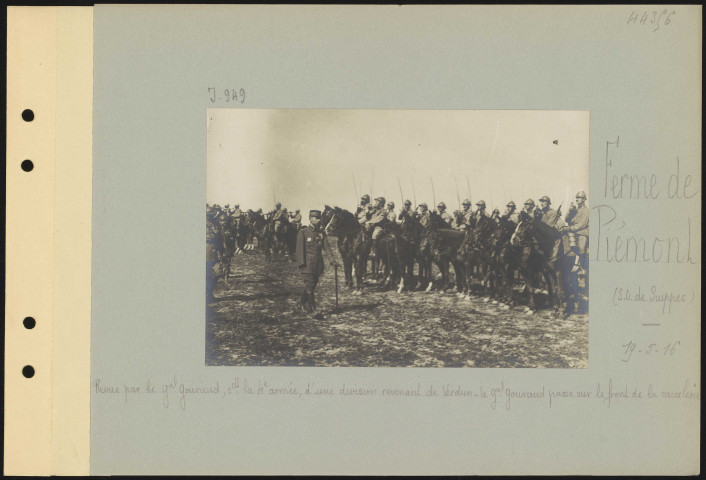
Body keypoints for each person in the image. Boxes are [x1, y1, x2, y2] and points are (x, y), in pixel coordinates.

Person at [295, 210, 326, 317]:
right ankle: (313, 310)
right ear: (310, 219)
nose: (318, 220)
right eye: (316, 218)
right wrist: (301, 264)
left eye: (319, 218)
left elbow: (327, 248)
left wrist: (333, 261)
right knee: (309, 286)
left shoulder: (321, 233)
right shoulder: (303, 232)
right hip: (307, 264)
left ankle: (300, 305)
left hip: (318, 264)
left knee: (311, 287)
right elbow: (299, 250)